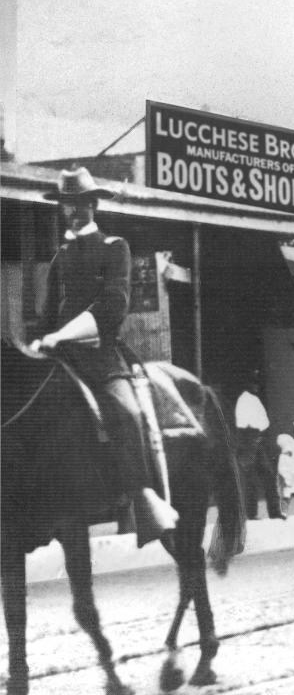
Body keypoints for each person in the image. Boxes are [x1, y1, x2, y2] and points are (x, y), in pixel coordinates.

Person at [30, 167, 178, 546]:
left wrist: (61, 334)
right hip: (60, 360)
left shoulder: (115, 247)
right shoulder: (60, 257)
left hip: (101, 356)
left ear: (93, 204)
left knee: (126, 412)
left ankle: (144, 498)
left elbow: (114, 305)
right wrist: (37, 341)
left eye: (79, 204)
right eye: (67, 205)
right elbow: (45, 316)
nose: (73, 211)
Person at [235, 371, 284, 520]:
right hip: (249, 439)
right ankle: (253, 513)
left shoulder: (252, 399)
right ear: (248, 385)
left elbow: (264, 422)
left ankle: (274, 511)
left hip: (257, 439)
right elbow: (249, 423)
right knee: (251, 479)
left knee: (267, 476)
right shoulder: (245, 400)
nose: (256, 386)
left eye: (257, 383)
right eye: (253, 383)